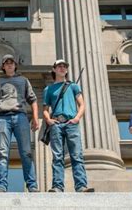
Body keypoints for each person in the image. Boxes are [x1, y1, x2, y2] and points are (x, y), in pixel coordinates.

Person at [0, 54, 39, 193]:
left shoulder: (23, 80)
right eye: (6, 63)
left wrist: (35, 118)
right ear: (3, 66)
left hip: (20, 116)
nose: (9, 65)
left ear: (15, 65)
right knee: (3, 153)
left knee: (26, 152)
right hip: (2, 118)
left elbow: (33, 99)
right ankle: (1, 186)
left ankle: (32, 185)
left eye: (11, 62)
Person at [42, 59, 94, 193]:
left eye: (64, 66)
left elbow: (82, 105)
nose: (62, 68)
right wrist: (48, 120)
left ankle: (81, 186)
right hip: (56, 123)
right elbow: (45, 109)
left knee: (76, 155)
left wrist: (77, 118)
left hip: (71, 122)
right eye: (59, 66)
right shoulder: (48, 89)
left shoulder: (73, 86)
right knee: (57, 156)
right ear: (54, 69)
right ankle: (58, 186)